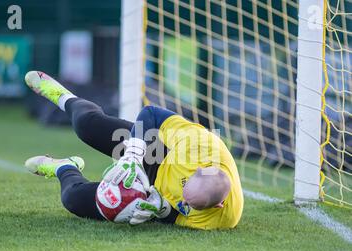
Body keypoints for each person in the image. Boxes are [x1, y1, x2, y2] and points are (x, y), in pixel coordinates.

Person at [24, 71, 244, 230]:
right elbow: (152, 114)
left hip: (155, 193)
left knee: (73, 200)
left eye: (190, 204)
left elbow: (177, 216)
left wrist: (162, 209)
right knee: (87, 126)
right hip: (160, 152)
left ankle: (65, 167)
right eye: (185, 193)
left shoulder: (219, 220)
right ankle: (63, 96)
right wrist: (133, 155)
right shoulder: (198, 146)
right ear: (197, 169)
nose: (183, 202)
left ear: (218, 205)